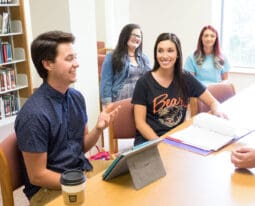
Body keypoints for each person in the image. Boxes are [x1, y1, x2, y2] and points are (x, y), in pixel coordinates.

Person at [14, 31, 119, 205]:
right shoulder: (33, 114)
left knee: (127, 173)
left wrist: (98, 129)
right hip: (47, 189)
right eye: (69, 59)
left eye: (75, 57)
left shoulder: (76, 97)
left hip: (79, 173)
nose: (76, 64)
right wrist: (82, 183)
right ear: (48, 64)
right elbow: (38, 176)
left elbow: (81, 146)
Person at [131, 33, 226, 146]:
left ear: (177, 54)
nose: (164, 56)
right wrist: (160, 143)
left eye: (170, 50)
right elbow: (140, 123)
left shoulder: (186, 78)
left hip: (175, 139)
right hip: (149, 141)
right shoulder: (144, 82)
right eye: (160, 51)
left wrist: (217, 111)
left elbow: (213, 102)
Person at [100, 23, 151, 105]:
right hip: (120, 102)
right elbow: (106, 82)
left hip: (141, 101)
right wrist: (107, 105)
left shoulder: (144, 58)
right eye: (134, 35)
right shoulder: (111, 56)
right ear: (125, 35)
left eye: (139, 36)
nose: (137, 38)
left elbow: (150, 79)